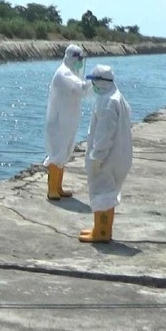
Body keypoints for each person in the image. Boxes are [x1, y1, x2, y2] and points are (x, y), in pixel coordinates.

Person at [78, 65, 132, 243]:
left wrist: (97, 156)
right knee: (108, 193)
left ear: (99, 81)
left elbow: (104, 133)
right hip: (117, 156)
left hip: (107, 158)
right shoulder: (114, 96)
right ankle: (102, 229)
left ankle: (101, 233)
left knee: (103, 194)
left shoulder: (108, 102)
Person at [44, 44, 92, 200]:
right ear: (71, 57)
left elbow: (82, 93)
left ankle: (58, 187)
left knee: (65, 152)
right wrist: (96, 80)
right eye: (78, 59)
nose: (80, 62)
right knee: (57, 152)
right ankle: (52, 189)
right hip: (58, 121)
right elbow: (81, 87)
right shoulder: (63, 73)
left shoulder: (73, 73)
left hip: (68, 120)